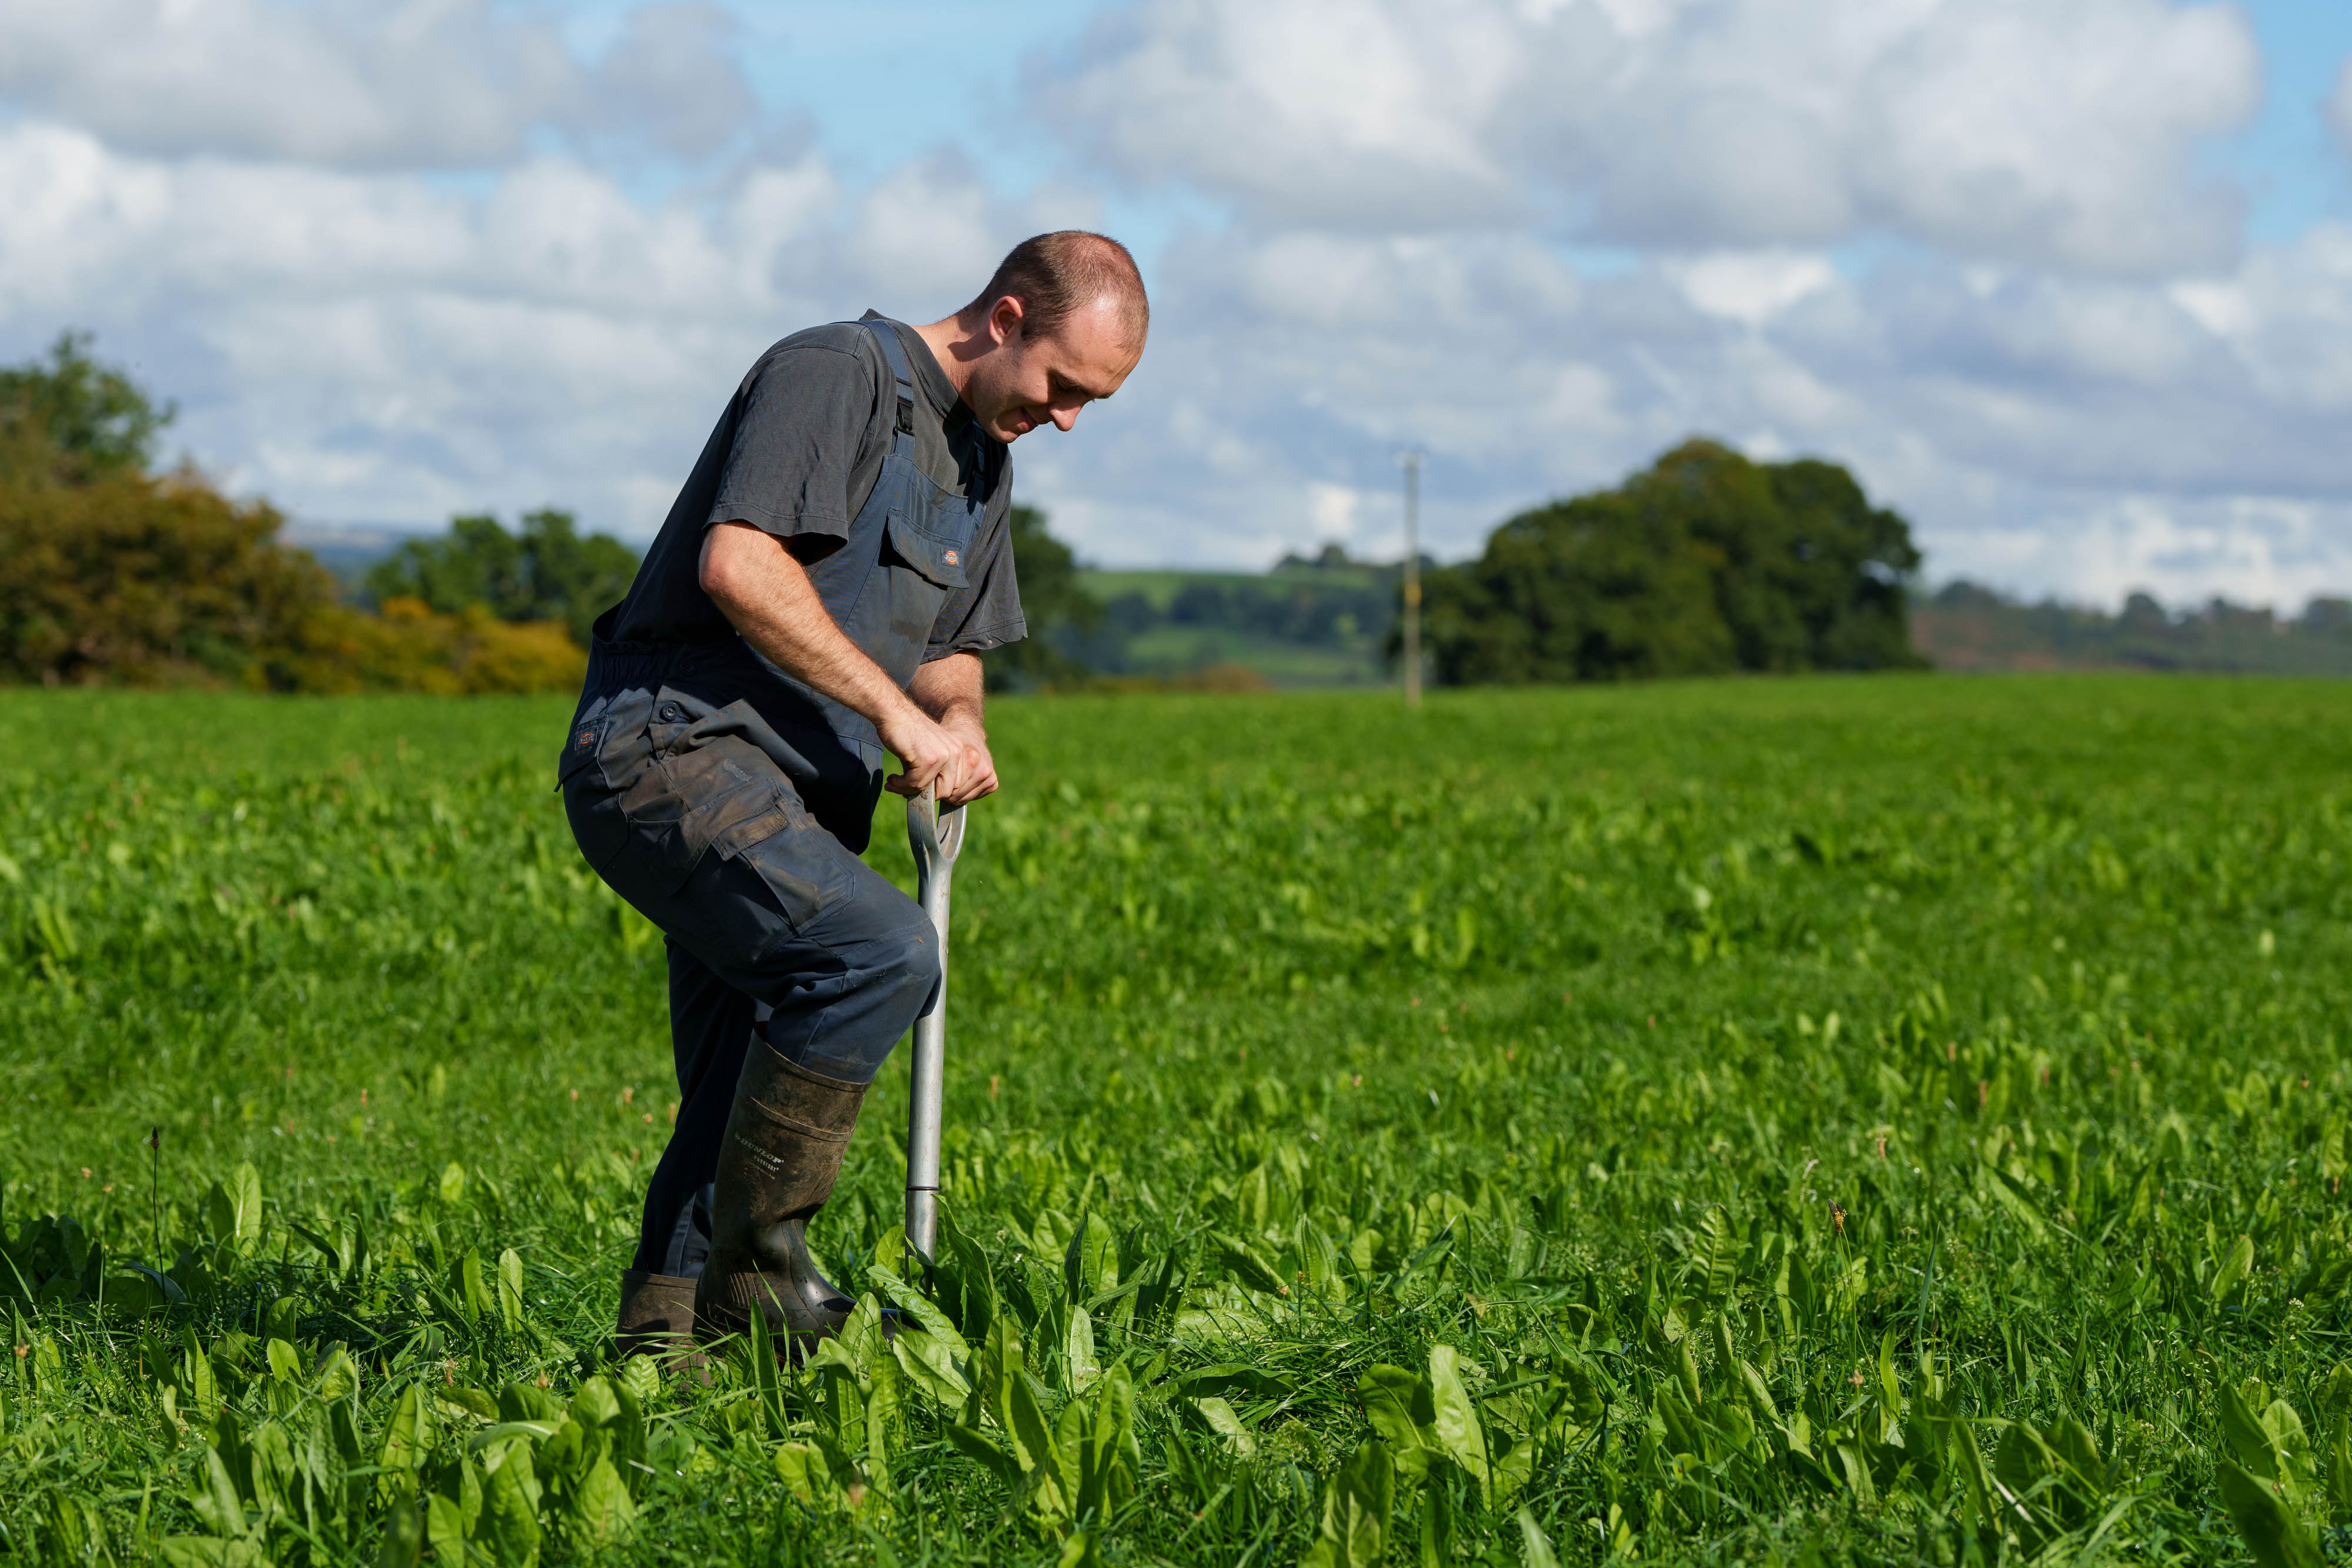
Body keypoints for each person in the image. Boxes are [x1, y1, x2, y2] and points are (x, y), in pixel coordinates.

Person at [558, 232, 1148, 1360]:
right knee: (878, 955)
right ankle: (763, 1291)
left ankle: (665, 1352)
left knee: (740, 1081)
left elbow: (954, 643)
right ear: (1008, 318)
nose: (1069, 418)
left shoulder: (983, 457)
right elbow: (741, 565)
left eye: (1094, 404)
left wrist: (959, 719)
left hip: (798, 792)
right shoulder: (837, 372)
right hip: (673, 751)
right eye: (1064, 388)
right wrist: (894, 715)